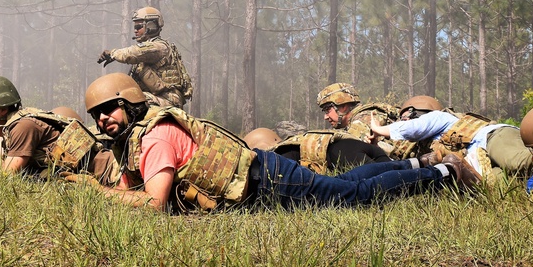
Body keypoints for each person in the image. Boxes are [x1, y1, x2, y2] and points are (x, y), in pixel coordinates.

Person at [67, 73, 477, 212]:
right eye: (97, 114)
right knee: (349, 185)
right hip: (261, 171)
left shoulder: (155, 137)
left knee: (352, 197)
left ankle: (443, 173)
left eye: (110, 109)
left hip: (269, 178)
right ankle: (414, 167)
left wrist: (95, 192)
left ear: (130, 105)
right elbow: (127, 189)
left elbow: (153, 203)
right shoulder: (136, 139)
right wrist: (107, 193)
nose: (103, 118)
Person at [0, 76, 116, 184]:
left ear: (1, 108)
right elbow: (2, 169)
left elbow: (4, 179)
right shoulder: (10, 127)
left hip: (111, 173)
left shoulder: (22, 126)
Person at [369, 98, 533, 181]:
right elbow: (400, 163)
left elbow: (413, 129)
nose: (402, 121)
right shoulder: (430, 143)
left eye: (406, 117)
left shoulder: (438, 118)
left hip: (494, 137)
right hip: (483, 160)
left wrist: (379, 129)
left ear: (419, 112)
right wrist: (376, 145)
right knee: (505, 186)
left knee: (520, 162)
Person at [97, 6, 193, 108]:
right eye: (134, 27)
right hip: (157, 98)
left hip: (168, 100)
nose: (135, 31)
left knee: (129, 101)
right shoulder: (149, 51)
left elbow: (132, 53)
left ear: (151, 26)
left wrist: (113, 53)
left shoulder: (158, 47)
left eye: (138, 27)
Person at [249, 127, 391, 174]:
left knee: (387, 184)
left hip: (342, 155)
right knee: (400, 171)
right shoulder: (295, 142)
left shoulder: (280, 155)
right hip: (352, 146)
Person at [315, 83, 400, 147]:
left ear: (343, 106)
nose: (325, 117)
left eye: (328, 110)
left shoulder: (363, 119)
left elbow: (352, 148)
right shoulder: (361, 116)